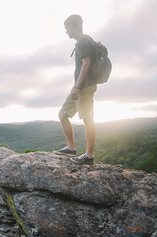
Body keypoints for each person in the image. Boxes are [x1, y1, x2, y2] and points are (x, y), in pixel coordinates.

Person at [54, 14, 97, 164]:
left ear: (73, 26)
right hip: (78, 87)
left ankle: (89, 156)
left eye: (67, 28)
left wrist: (77, 86)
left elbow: (86, 63)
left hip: (83, 88)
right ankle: (71, 147)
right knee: (63, 114)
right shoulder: (84, 41)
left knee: (87, 120)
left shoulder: (83, 41)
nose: (66, 31)